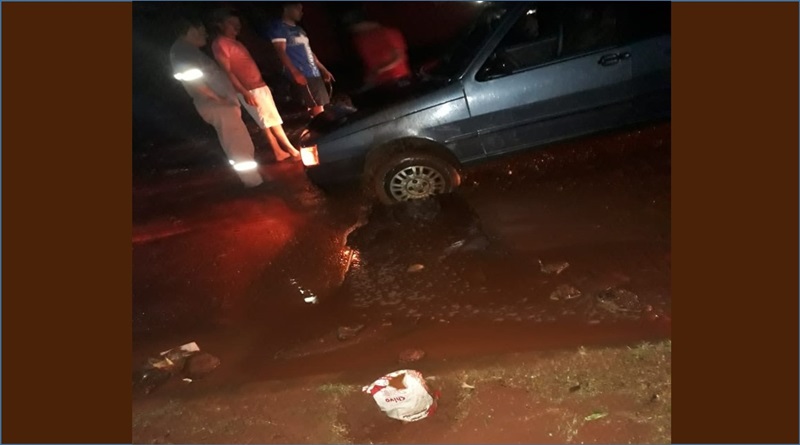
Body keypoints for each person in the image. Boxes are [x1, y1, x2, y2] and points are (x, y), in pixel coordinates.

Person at [169, 17, 265, 188]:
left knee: (238, 141)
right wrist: (219, 98)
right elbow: (192, 80)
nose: (205, 35)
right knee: (237, 143)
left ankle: (253, 179)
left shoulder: (186, 50)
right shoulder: (183, 52)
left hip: (220, 104)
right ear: (190, 30)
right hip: (218, 105)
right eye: (201, 30)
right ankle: (254, 183)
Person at [209, 8, 301, 162]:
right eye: (231, 23)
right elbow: (227, 71)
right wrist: (245, 92)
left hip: (256, 86)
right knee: (271, 120)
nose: (237, 26)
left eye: (238, 23)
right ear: (220, 24)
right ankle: (291, 150)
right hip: (250, 88)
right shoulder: (220, 43)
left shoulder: (234, 42)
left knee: (266, 121)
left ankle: (278, 151)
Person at [264, 2, 334, 117]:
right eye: (297, 9)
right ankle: (322, 125)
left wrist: (323, 69)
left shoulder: (299, 29)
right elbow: (280, 51)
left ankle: (322, 124)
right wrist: (294, 72)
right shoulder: (279, 28)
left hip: (313, 71)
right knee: (316, 106)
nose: (301, 12)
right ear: (286, 9)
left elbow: (309, 51)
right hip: (302, 73)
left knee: (322, 103)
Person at [344, 11, 412, 89]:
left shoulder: (388, 33)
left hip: (398, 80)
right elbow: (369, 64)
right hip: (379, 84)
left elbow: (399, 57)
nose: (354, 30)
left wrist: (378, 70)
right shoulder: (360, 39)